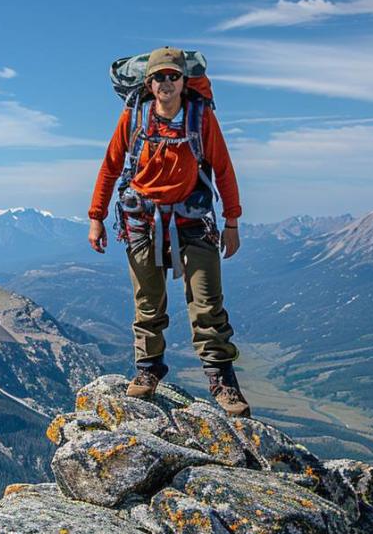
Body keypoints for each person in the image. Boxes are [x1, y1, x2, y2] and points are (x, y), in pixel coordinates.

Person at [87, 46, 251, 417]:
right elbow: (111, 167)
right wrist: (96, 217)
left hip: (193, 222)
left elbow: (223, 169)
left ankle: (223, 381)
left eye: (173, 76)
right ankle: (148, 370)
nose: (166, 82)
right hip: (142, 222)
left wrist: (232, 221)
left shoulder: (200, 118)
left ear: (183, 81)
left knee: (208, 305)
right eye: (159, 76)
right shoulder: (135, 117)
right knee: (148, 302)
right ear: (148, 82)